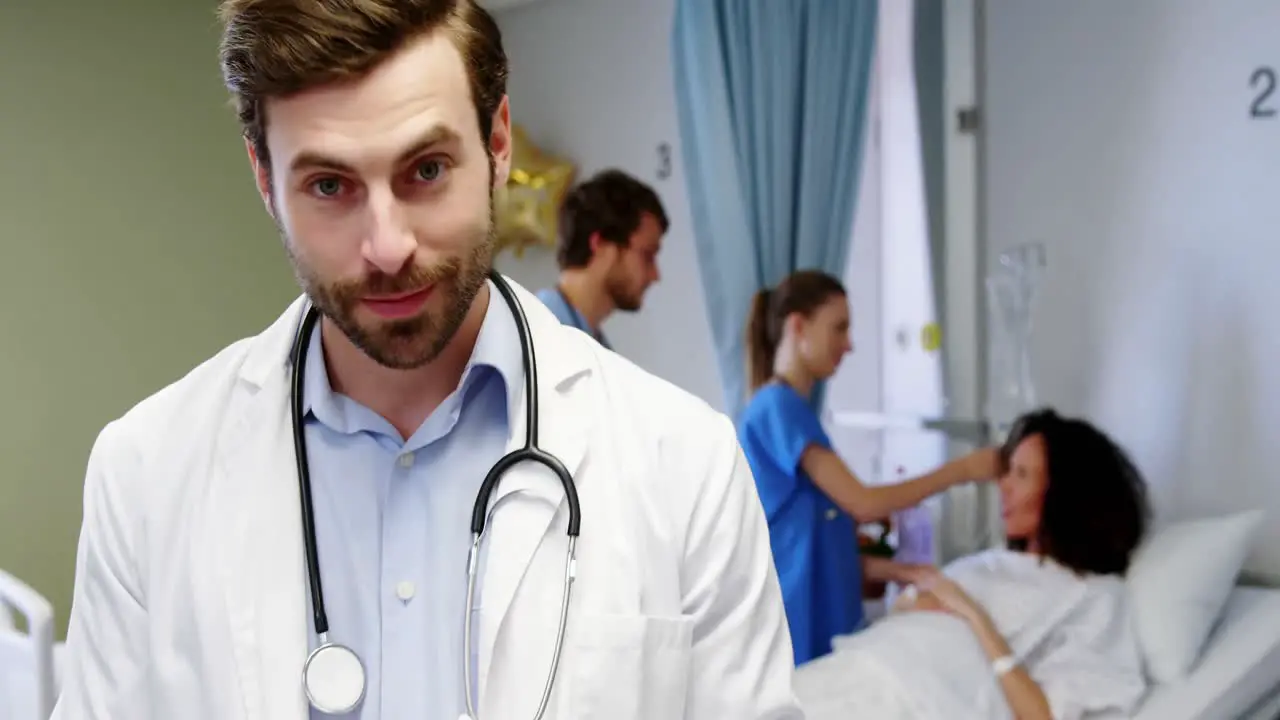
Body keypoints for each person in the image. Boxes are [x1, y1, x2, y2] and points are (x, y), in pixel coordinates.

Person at [52, 2, 801, 719]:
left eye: (427, 170)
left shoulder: (685, 464)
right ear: (263, 180)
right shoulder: (146, 474)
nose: (387, 246)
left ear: (498, 143)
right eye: (328, 185)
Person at [793, 408, 1152, 720]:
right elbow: (912, 602)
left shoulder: (1093, 594)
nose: (1003, 486)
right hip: (865, 668)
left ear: (1066, 493)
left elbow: (1043, 715)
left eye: (1022, 474)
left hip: (921, 700)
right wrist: (922, 601)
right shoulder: (993, 560)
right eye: (1007, 472)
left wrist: (971, 614)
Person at [737, 269, 1001, 665]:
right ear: (798, 326)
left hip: (826, 628)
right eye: (839, 328)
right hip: (796, 629)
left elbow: (820, 544)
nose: (849, 345)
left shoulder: (794, 414)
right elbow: (863, 503)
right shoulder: (777, 409)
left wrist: (908, 572)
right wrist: (962, 470)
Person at [534, 169, 668, 349]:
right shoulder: (533, 339)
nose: (655, 275)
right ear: (601, 245)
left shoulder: (588, 347)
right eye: (647, 255)